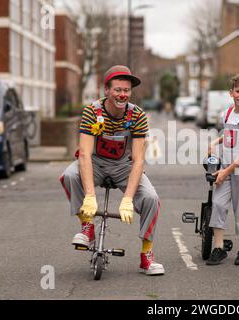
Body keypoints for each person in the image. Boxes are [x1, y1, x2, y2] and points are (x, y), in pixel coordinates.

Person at [59, 65, 164, 275]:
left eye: (126, 90)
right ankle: (87, 226)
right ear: (106, 90)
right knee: (69, 175)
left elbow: (138, 159)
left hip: (124, 166)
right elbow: (85, 154)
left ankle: (146, 255)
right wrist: (89, 195)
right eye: (117, 89)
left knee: (152, 198)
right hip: (95, 162)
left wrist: (127, 198)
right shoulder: (92, 112)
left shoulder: (138, 115)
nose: (122, 94)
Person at [206, 73, 239, 266]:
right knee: (219, 205)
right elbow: (229, 135)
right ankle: (219, 248)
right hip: (226, 168)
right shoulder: (227, 113)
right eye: (238, 91)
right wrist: (216, 141)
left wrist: (225, 171)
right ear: (231, 93)